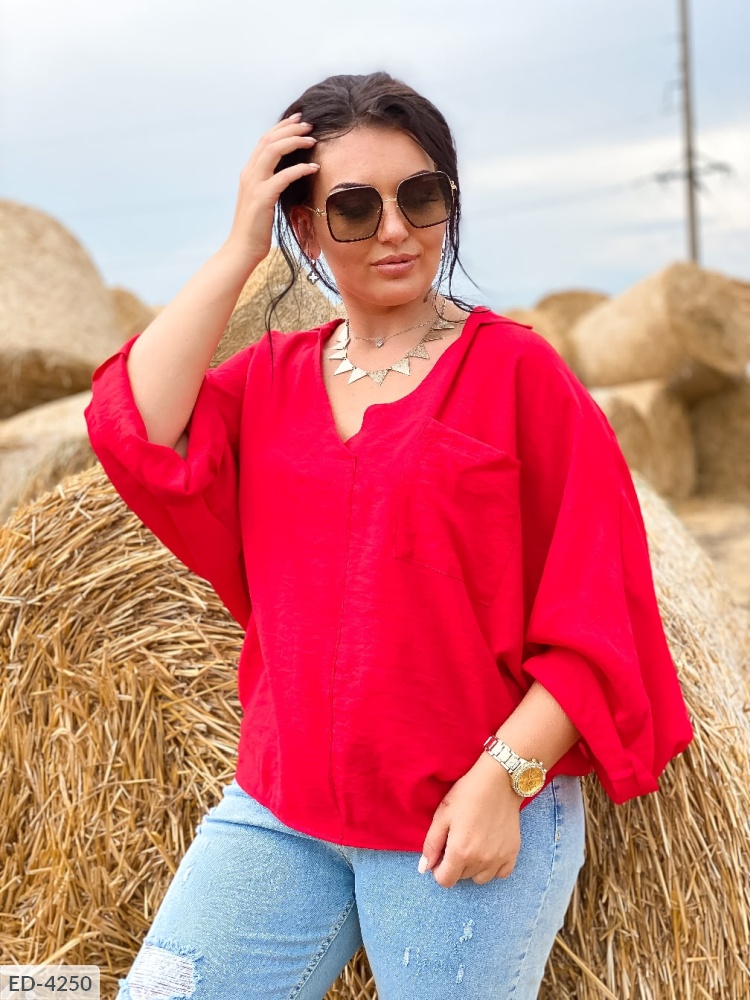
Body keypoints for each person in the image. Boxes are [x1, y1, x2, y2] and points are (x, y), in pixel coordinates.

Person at [85, 71, 694, 1000]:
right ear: (305, 228)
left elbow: (598, 604)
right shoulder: (269, 380)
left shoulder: (518, 375)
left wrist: (505, 777)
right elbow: (135, 423)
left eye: (420, 195)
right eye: (354, 208)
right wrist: (242, 244)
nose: (396, 229)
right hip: (282, 806)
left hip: (462, 808)